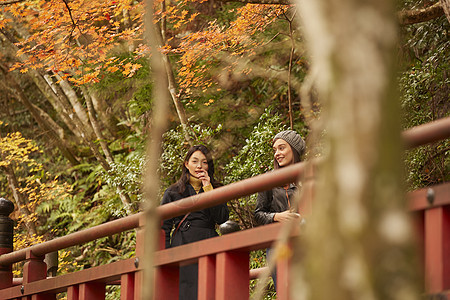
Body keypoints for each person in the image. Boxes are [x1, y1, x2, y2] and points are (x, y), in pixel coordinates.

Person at [161, 144, 229, 300]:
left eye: (204, 162)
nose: (199, 166)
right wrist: (165, 256)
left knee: (210, 289)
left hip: (209, 240)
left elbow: (222, 218)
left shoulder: (216, 188)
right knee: (186, 292)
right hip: (182, 244)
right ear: (186, 164)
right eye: (195, 161)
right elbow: (164, 226)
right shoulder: (173, 192)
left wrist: (208, 188)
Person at [254, 129, 305, 288]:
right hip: (278, 244)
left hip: (306, 242)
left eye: (281, 148)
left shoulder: (308, 176)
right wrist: (276, 216)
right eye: (275, 150)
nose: (277, 153)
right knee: (285, 292)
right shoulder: (269, 180)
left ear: (294, 150)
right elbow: (258, 215)